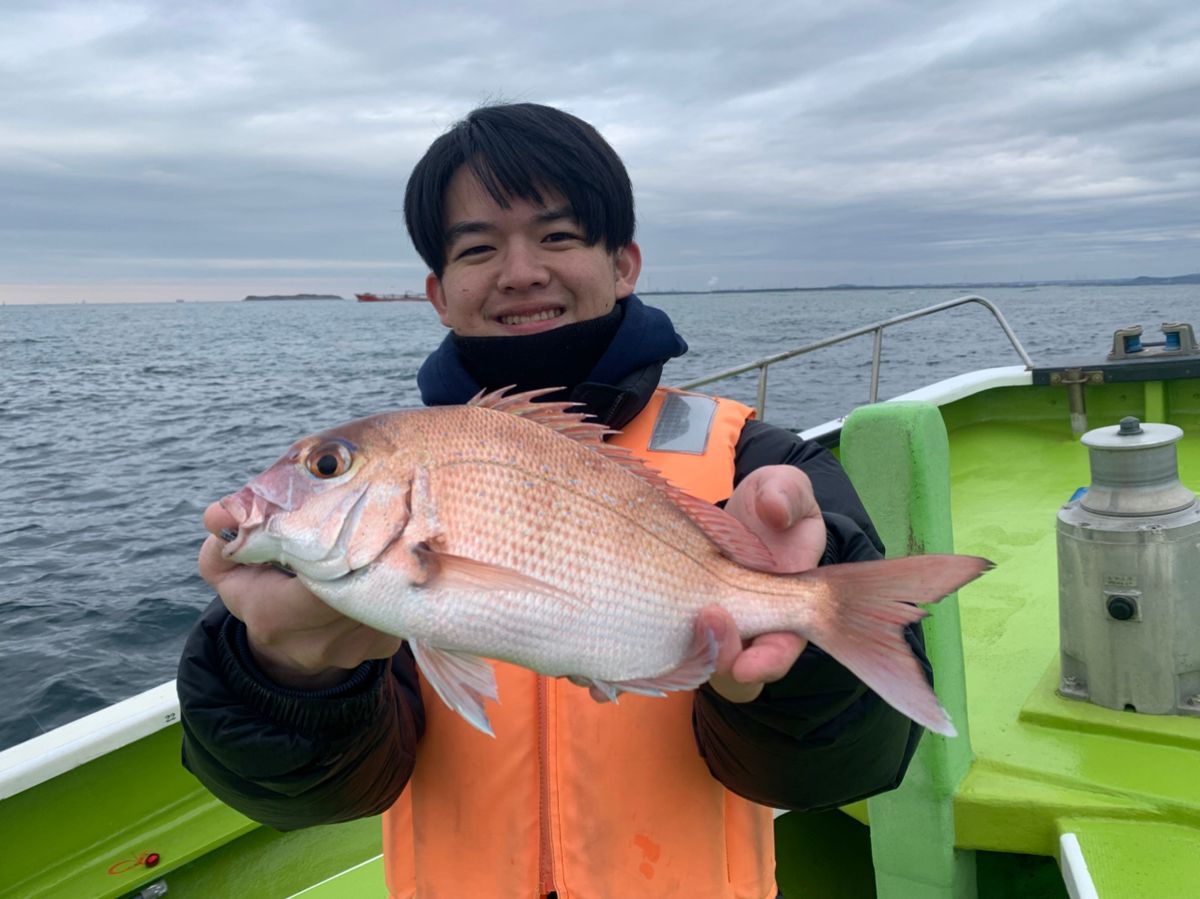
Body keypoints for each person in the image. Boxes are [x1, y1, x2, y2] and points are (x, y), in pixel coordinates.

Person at [178, 102, 931, 899]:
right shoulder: (351, 548)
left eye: (559, 236)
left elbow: (858, 764)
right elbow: (312, 798)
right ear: (438, 291)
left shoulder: (760, 463)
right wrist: (284, 675)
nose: (521, 271)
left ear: (626, 263)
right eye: (478, 247)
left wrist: (800, 660)